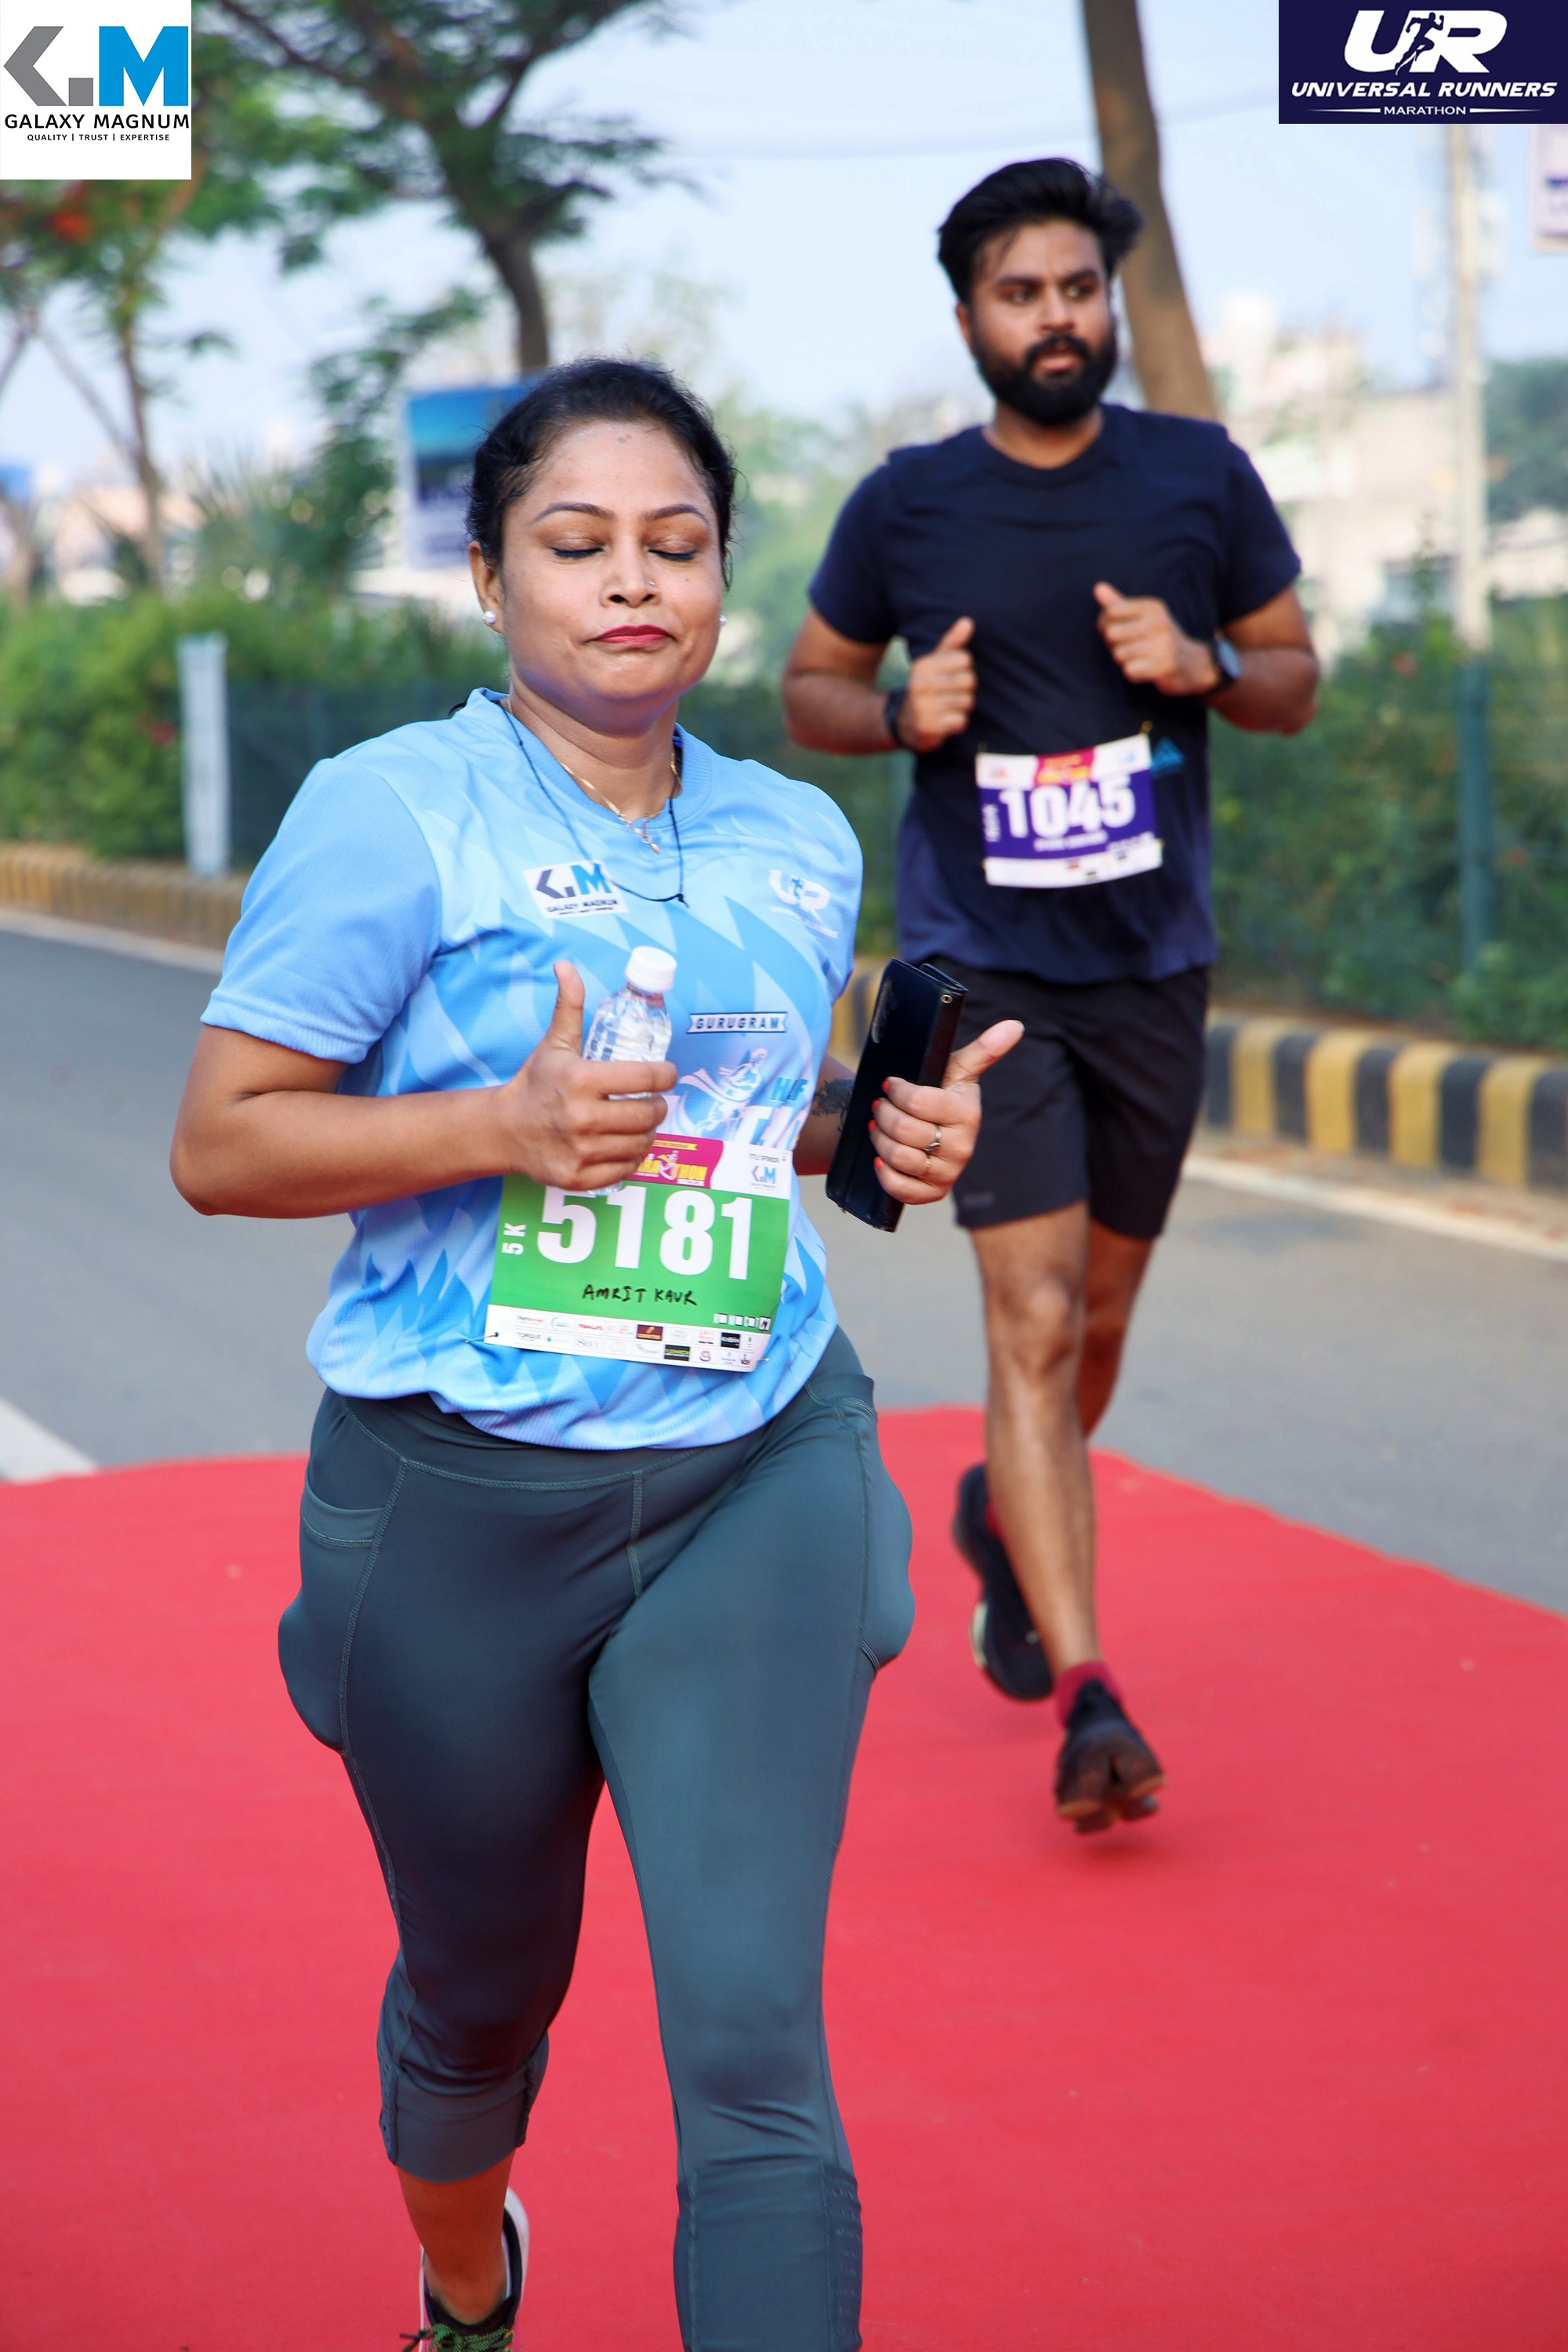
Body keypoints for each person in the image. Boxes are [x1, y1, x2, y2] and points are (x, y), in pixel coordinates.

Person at [170, 359, 1018, 2352]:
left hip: (752, 1458)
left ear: (720, 576)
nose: (632, 580)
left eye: (675, 543)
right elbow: (225, 1144)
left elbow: (737, 1122)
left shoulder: (794, 835)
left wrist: (876, 1136)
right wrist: (497, 1126)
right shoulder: (389, 815)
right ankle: (468, 2284)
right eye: (576, 543)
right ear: (490, 577)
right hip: (458, 1496)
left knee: (752, 2045)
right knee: (483, 1996)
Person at [782, 158, 1318, 1836]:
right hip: (985, 964)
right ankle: (1090, 1694)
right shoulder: (907, 506)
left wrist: (1204, 667)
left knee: (1093, 1329)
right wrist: (900, 710)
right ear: (970, 321)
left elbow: (1293, 676)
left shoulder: (1198, 478)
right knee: (1026, 1320)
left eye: (1078, 288)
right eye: (1022, 293)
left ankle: (1004, 1512)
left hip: (1152, 965)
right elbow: (809, 688)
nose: (1058, 318)